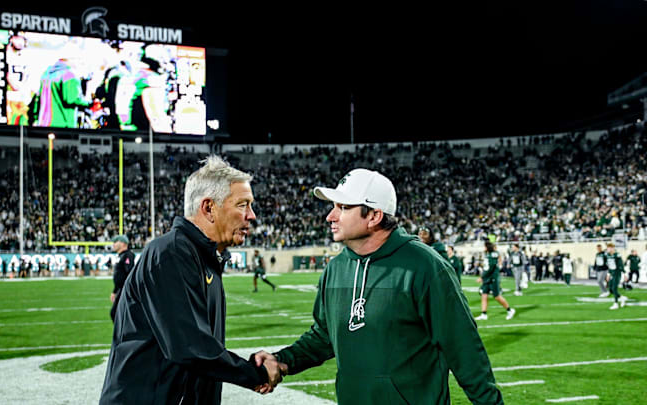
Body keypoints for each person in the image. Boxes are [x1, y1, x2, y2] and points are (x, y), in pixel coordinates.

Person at [251, 168, 503, 404]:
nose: (331, 216)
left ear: (374, 215)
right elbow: (325, 336)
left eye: (343, 207)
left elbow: (464, 350)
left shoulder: (425, 267)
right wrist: (282, 360)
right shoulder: (335, 268)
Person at [100, 156, 284, 404]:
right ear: (209, 208)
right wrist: (254, 373)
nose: (251, 215)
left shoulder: (207, 259)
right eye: (243, 205)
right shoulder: (170, 254)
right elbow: (190, 347)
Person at [31, 47, 93, 128]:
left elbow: (38, 98)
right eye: (78, 60)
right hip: (62, 124)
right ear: (70, 59)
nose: (78, 63)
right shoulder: (69, 75)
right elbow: (71, 99)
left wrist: (35, 118)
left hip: (43, 122)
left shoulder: (47, 74)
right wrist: (89, 103)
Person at [475, 242, 516, 321]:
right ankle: (483, 314)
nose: (484, 248)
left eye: (485, 247)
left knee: (497, 296)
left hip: (492, 278)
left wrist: (482, 277)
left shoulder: (492, 255)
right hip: (487, 278)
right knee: (484, 295)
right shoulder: (489, 254)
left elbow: (491, 268)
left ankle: (510, 310)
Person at [109, 234, 136, 322]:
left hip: (125, 290)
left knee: (115, 313)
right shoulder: (121, 256)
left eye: (116, 242)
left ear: (123, 243)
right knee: (116, 314)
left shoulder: (128, 255)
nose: (114, 244)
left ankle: (122, 334)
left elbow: (129, 273)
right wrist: (114, 291)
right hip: (121, 289)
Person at [605, 242, 628, 310]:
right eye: (607, 248)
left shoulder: (617, 255)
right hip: (612, 273)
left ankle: (616, 304)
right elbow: (610, 265)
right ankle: (622, 298)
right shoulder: (608, 255)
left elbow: (621, 265)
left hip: (617, 273)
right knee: (611, 289)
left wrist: (624, 274)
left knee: (614, 288)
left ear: (612, 248)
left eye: (609, 248)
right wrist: (608, 274)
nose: (607, 249)